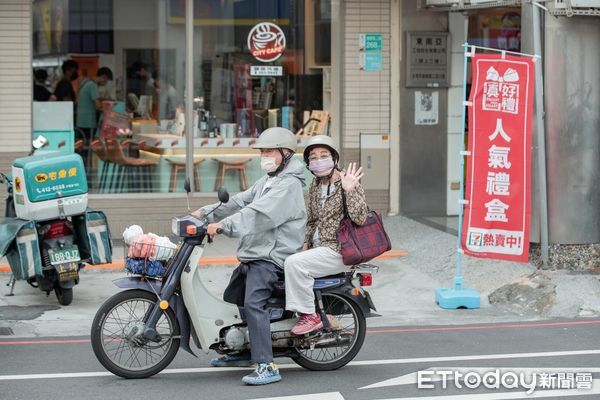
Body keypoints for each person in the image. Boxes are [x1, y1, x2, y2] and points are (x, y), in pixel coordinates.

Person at [194, 127, 306, 385]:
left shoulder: (288, 185)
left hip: (272, 256)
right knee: (234, 297)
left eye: (269, 151)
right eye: (262, 151)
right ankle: (244, 350)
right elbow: (238, 203)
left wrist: (223, 227)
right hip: (256, 253)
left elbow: (257, 214)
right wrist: (205, 213)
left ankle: (267, 365)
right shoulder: (268, 180)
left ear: (286, 154)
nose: (264, 156)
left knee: (254, 304)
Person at [284, 135, 367, 335]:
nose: (318, 160)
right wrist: (304, 242)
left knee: (294, 264)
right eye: (313, 157)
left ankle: (309, 316)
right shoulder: (315, 184)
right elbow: (311, 219)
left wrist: (349, 191)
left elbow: (361, 218)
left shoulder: (348, 181)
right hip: (319, 248)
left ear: (334, 159)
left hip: (340, 250)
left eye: (324, 155)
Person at [76, 67, 113, 142]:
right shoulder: (92, 85)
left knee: (82, 145)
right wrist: (110, 112)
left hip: (81, 121)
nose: (105, 83)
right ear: (103, 77)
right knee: (88, 146)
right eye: (106, 80)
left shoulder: (86, 82)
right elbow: (98, 105)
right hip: (88, 122)